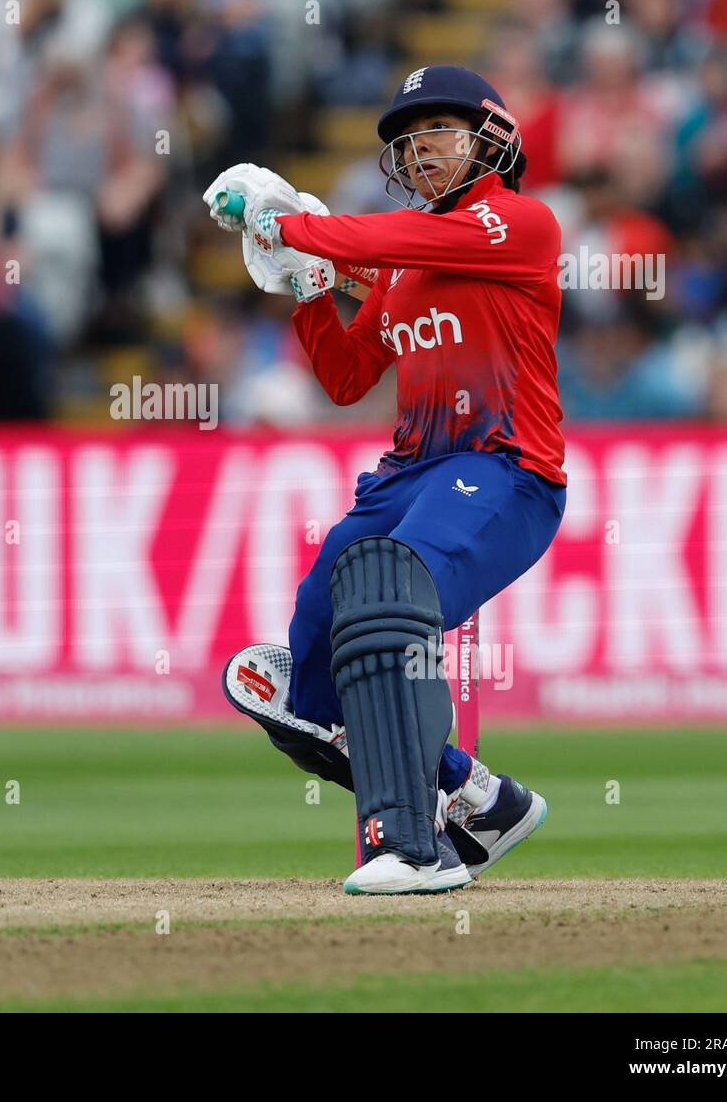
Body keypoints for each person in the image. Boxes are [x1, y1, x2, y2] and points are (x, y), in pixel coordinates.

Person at [204, 66, 566, 895]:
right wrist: (306, 290)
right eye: (411, 138)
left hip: (505, 468)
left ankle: (413, 845)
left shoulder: (519, 224)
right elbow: (346, 374)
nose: (423, 148)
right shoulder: (404, 260)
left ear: (493, 139)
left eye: (441, 130)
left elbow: (382, 242)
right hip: (408, 473)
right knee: (311, 671)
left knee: (385, 593)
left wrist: (294, 225)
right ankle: (482, 797)